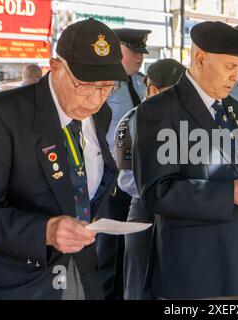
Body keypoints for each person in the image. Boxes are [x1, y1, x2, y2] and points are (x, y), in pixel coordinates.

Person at [133, 21, 238, 300]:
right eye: (229, 67)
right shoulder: (158, 111)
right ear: (200, 59)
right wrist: (229, 194)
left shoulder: (234, 108)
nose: (236, 77)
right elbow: (156, 192)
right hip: (194, 270)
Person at [0, 18, 127, 299]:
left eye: (107, 87)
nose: (94, 100)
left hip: (83, 273)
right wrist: (46, 231)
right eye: (84, 85)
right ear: (56, 67)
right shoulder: (2, 115)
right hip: (21, 282)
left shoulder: (100, 114)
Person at [115, 58, 186, 300]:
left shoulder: (186, 119)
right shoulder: (131, 121)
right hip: (144, 212)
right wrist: (162, 190)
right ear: (153, 90)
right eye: (173, 93)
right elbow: (125, 177)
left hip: (180, 212)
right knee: (139, 287)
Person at [97, 27, 151, 300]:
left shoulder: (143, 83)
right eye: (135, 51)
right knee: (108, 250)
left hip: (138, 176)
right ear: (118, 50)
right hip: (111, 178)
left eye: (142, 52)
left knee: (131, 252)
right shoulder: (104, 85)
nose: (140, 57)